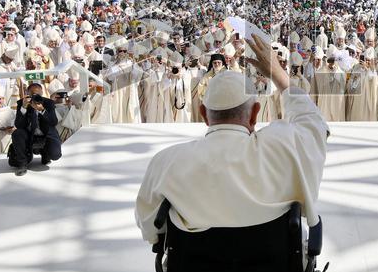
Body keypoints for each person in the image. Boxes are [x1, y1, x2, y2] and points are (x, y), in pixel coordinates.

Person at [135, 33, 329, 241]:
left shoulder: (166, 163)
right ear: (255, 113)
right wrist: (280, 76)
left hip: (192, 271)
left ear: (203, 115)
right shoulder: (284, 146)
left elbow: (150, 228)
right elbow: (313, 123)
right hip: (277, 271)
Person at [8, 83, 62, 176]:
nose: (35, 97)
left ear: (42, 93)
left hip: (46, 133)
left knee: (55, 155)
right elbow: (19, 125)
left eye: (38, 94)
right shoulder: (22, 103)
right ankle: (22, 163)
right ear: (27, 93)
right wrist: (24, 108)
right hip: (30, 134)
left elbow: (53, 122)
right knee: (17, 133)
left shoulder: (48, 103)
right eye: (32, 94)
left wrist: (42, 110)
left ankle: (45, 153)